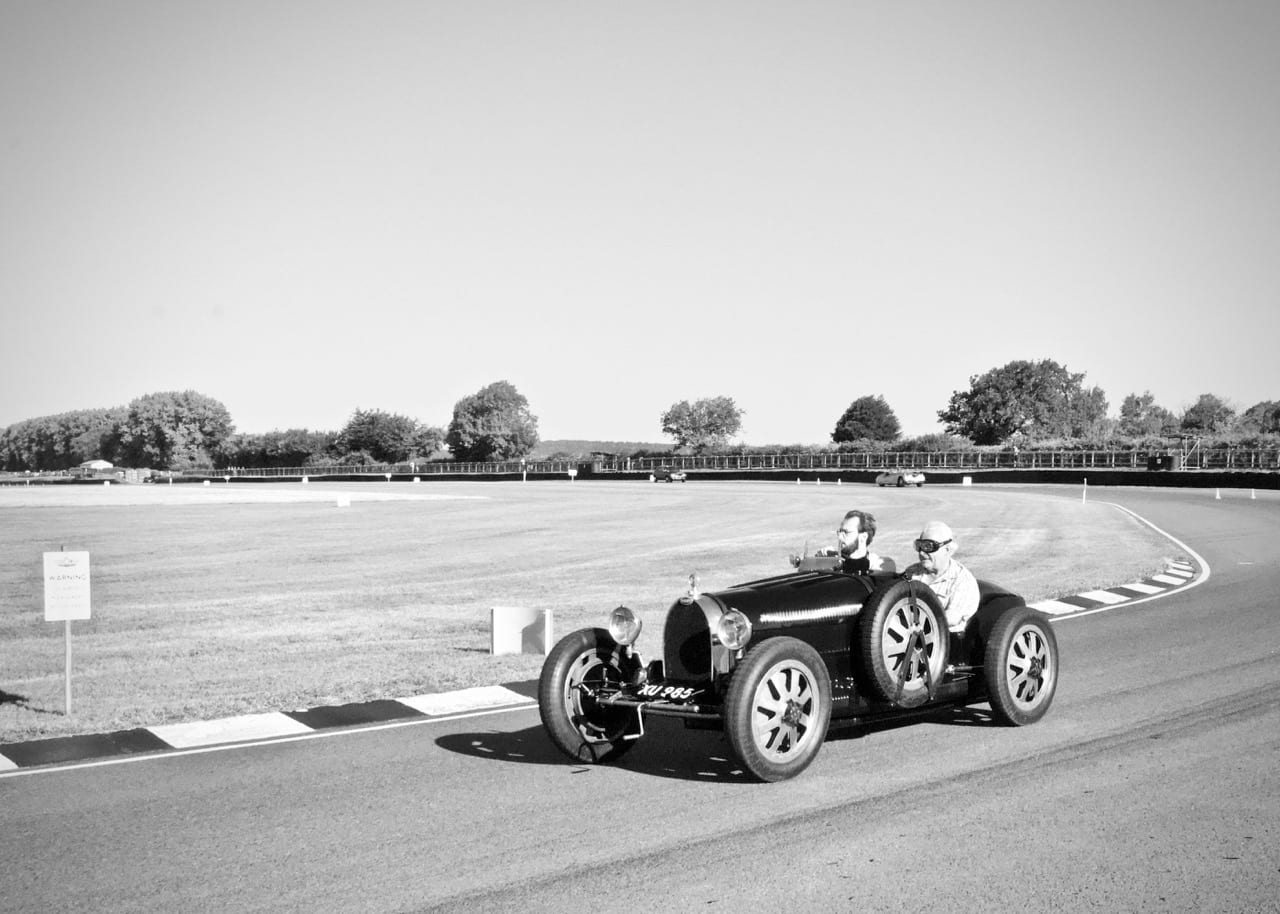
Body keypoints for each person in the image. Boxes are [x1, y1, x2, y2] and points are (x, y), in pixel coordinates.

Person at [904, 520, 979, 632]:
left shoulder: (962, 581)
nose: (921, 553)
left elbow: (951, 618)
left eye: (929, 546)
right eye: (919, 546)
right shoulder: (912, 572)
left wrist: (916, 624)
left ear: (947, 550)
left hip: (947, 640)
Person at [836, 509, 893, 574]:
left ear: (863, 537)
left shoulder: (878, 565)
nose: (840, 537)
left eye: (846, 532)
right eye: (840, 532)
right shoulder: (833, 562)